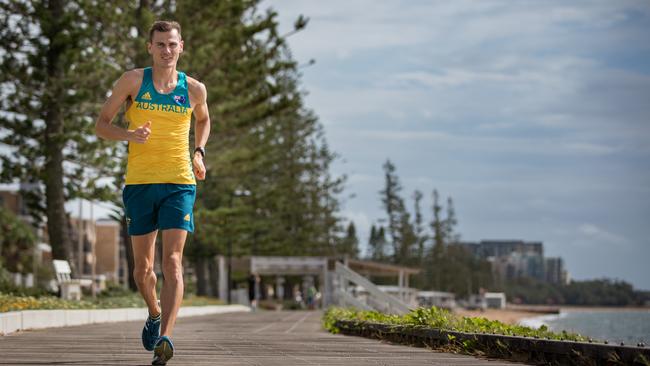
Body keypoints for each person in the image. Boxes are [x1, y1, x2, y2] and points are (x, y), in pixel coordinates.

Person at [95, 20, 210, 365]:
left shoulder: (194, 89)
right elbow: (101, 124)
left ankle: (166, 339)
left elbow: (203, 120)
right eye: (160, 44)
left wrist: (199, 152)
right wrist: (130, 136)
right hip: (140, 184)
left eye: (172, 44)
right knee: (142, 271)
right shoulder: (133, 81)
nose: (166, 50)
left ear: (181, 47)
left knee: (172, 262)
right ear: (150, 47)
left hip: (179, 182)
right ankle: (154, 310)